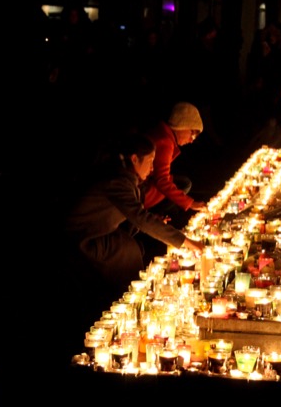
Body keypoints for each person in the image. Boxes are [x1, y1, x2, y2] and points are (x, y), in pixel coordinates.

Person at [58, 132, 205, 339]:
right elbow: (139, 217)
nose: (153, 168)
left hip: (99, 233)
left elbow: (134, 214)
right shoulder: (117, 181)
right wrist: (185, 241)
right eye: (150, 161)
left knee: (131, 251)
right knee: (128, 255)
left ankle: (126, 303)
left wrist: (156, 221)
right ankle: (118, 312)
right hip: (83, 239)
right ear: (134, 159)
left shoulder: (126, 179)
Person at [143, 102, 209, 232]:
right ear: (182, 126)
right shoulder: (165, 142)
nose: (191, 140)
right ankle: (159, 217)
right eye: (192, 134)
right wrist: (191, 203)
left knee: (183, 183)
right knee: (183, 185)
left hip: (144, 184)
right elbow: (162, 181)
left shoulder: (162, 133)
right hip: (141, 191)